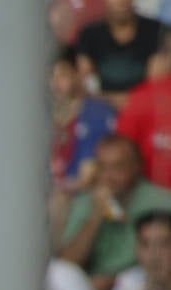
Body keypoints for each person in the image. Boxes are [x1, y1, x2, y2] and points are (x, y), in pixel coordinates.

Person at [59, 134, 171, 290]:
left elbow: (161, 261)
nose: (109, 176)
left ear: (136, 167)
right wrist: (96, 216)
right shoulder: (86, 202)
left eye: (118, 167)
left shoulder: (162, 202)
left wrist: (115, 281)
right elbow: (67, 266)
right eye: (103, 168)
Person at [52, 46, 120, 238]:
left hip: (82, 198)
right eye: (49, 75)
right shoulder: (31, 118)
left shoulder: (96, 113)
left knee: (58, 201)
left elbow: (86, 177)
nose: (55, 82)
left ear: (76, 75)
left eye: (62, 74)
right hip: (40, 199)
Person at [76, 0, 165, 110]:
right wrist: (110, 100)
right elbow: (87, 79)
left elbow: (157, 82)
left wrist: (132, 102)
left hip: (147, 108)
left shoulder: (155, 30)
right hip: (102, 108)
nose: (121, 2)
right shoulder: (89, 34)